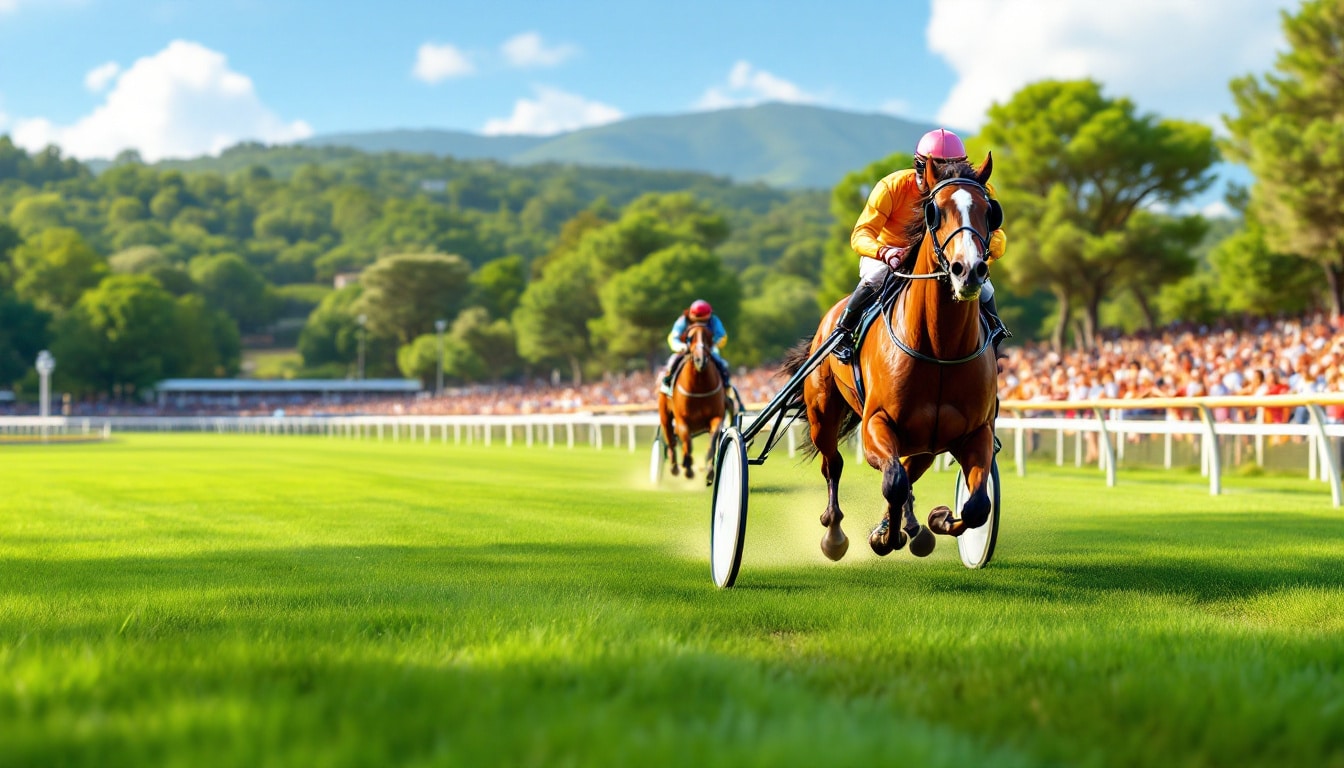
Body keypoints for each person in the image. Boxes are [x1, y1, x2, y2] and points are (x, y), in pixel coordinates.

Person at [833, 128, 1010, 364]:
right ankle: (842, 333)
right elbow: (861, 234)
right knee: (876, 276)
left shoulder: (974, 191)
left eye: (956, 167)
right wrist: (883, 252)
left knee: (985, 287)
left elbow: (997, 234)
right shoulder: (892, 186)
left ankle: (995, 335)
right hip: (891, 254)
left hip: (944, 255)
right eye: (941, 168)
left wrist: (984, 254)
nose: (951, 175)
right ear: (923, 168)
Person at [659, 299, 730, 396]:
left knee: (721, 363)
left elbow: (721, 336)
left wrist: (712, 345)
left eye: (704, 320)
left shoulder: (713, 320)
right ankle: (668, 383)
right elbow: (673, 337)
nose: (701, 322)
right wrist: (680, 346)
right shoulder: (683, 320)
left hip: (708, 350)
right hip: (686, 350)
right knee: (672, 361)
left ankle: (726, 385)